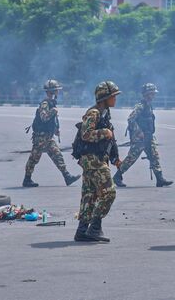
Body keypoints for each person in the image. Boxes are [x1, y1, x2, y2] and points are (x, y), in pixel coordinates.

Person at [73, 81, 122, 242]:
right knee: (109, 193)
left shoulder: (104, 113)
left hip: (96, 159)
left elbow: (110, 140)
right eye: (113, 96)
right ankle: (94, 228)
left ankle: (82, 231)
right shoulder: (94, 113)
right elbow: (85, 135)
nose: (115, 99)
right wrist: (104, 132)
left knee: (90, 195)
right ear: (104, 97)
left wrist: (115, 158)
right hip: (93, 160)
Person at [22, 80, 80, 187]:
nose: (58, 92)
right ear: (52, 91)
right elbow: (44, 117)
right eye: (56, 90)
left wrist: (55, 130)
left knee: (57, 155)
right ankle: (27, 179)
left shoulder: (52, 102)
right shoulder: (45, 103)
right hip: (41, 137)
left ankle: (67, 176)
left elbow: (51, 120)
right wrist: (53, 111)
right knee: (34, 158)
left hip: (48, 136)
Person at [113, 83, 172, 188]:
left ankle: (160, 179)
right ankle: (117, 176)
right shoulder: (140, 106)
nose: (154, 95)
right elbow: (131, 119)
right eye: (152, 93)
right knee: (131, 158)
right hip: (140, 139)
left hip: (149, 136)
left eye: (154, 93)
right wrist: (139, 132)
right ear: (147, 94)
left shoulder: (149, 105)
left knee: (154, 156)